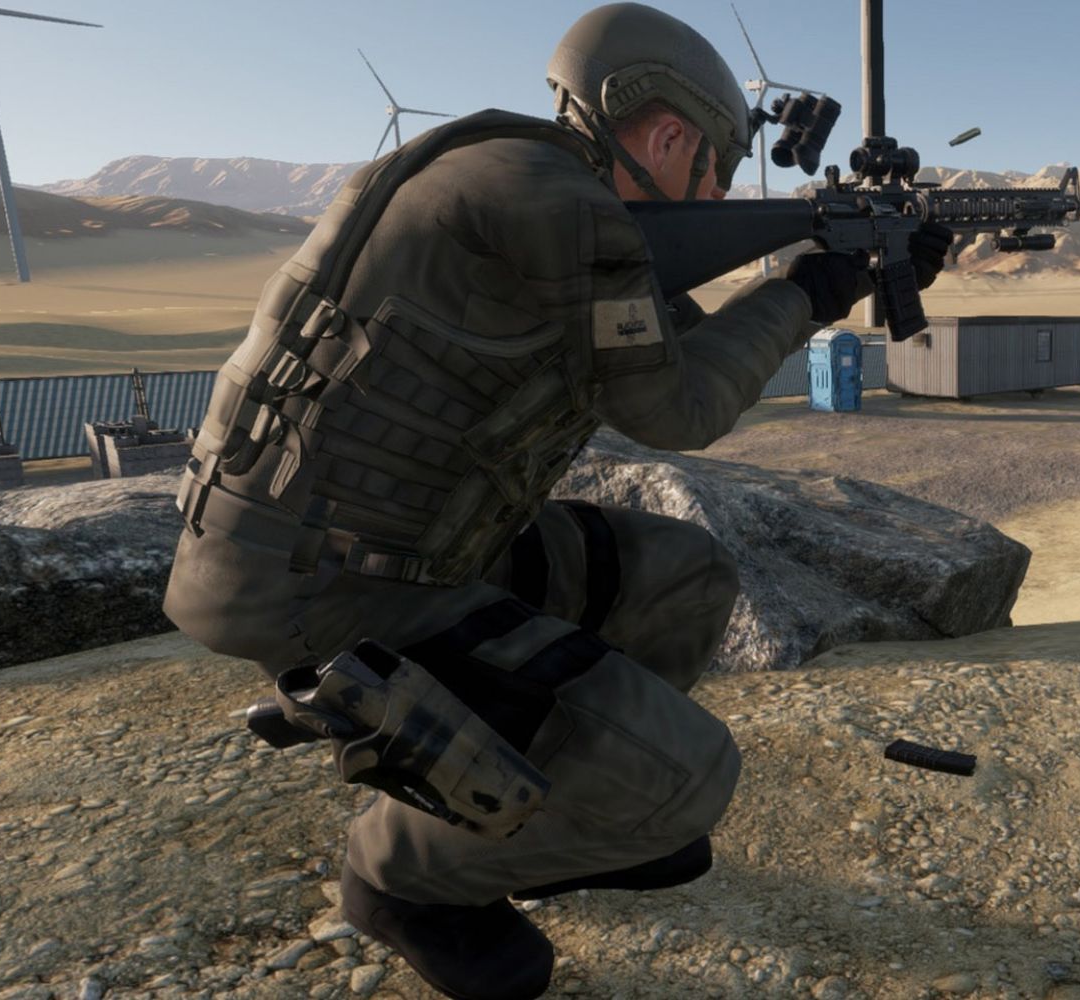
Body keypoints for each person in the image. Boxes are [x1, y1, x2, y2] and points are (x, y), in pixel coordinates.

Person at [160, 5, 951, 998]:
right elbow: (676, 406)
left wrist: (829, 266)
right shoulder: (554, 204)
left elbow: (652, 343)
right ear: (663, 135)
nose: (711, 192)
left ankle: (562, 806)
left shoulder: (507, 175)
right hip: (331, 578)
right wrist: (809, 291)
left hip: (404, 535)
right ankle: (397, 873)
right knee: (695, 777)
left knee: (682, 574)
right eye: (708, 168)